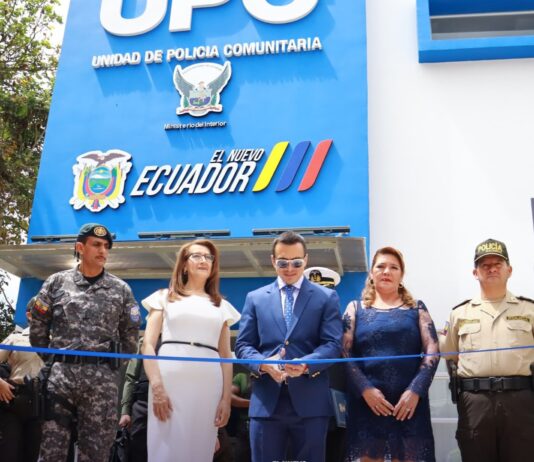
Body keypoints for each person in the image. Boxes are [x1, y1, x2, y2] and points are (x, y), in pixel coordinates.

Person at [30, 223, 140, 462]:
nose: (103, 251)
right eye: (96, 245)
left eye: (106, 246)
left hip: (102, 382)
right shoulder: (56, 282)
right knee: (51, 452)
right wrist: (53, 360)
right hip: (60, 378)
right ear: (80, 247)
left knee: (96, 453)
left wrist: (110, 369)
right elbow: (38, 326)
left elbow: (130, 337)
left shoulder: (121, 289)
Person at [235, 230, 343, 462]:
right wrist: (263, 364)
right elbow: (243, 345)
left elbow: (333, 344)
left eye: (296, 262)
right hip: (266, 402)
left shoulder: (326, 297)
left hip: (311, 402)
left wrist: (306, 363)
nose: (290, 268)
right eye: (283, 262)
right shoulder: (255, 298)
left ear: (306, 260)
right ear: (273, 261)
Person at [141, 239, 240, 462]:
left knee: (199, 449)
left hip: (208, 386)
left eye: (208, 257)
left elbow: (226, 356)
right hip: (168, 383)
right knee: (164, 448)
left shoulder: (222, 306)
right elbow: (148, 345)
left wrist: (226, 400)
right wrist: (156, 386)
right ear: (184, 265)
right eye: (196, 256)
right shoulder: (163, 297)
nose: (203, 260)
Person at [439, 238, 534, 462]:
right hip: (475, 402)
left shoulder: (529, 310)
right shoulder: (459, 313)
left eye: (498, 264)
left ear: (509, 270)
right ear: (475, 273)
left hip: (520, 400)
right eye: (485, 265)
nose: (491, 269)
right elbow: (450, 354)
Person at [342, 246, 438, 462]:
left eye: (394, 267)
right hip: (367, 405)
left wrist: (415, 391)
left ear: (401, 275)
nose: (386, 271)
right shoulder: (354, 308)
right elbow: (344, 352)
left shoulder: (418, 308)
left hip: (409, 406)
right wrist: (365, 389)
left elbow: (432, 351)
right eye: (381, 266)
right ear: (371, 273)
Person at [0, 297, 44, 462]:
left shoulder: (56, 343)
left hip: (42, 406)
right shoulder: (15, 338)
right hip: (14, 401)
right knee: (9, 454)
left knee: (33, 455)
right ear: (29, 315)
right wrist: (0, 383)